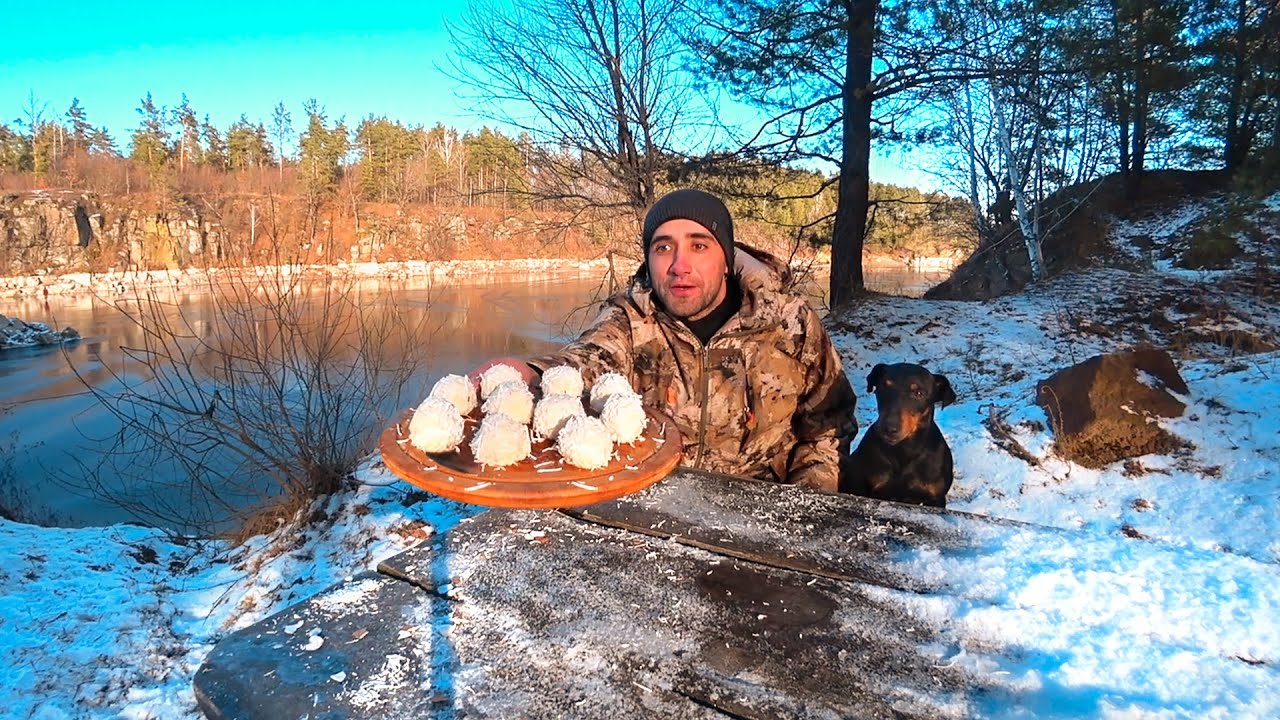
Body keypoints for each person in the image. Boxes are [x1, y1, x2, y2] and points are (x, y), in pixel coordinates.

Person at [475, 188, 857, 491]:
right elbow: (587, 360)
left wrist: (806, 503)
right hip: (655, 508)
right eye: (663, 248)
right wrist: (529, 372)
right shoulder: (630, 321)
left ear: (726, 259)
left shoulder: (788, 322)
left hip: (763, 508)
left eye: (699, 245)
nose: (680, 265)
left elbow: (829, 424)